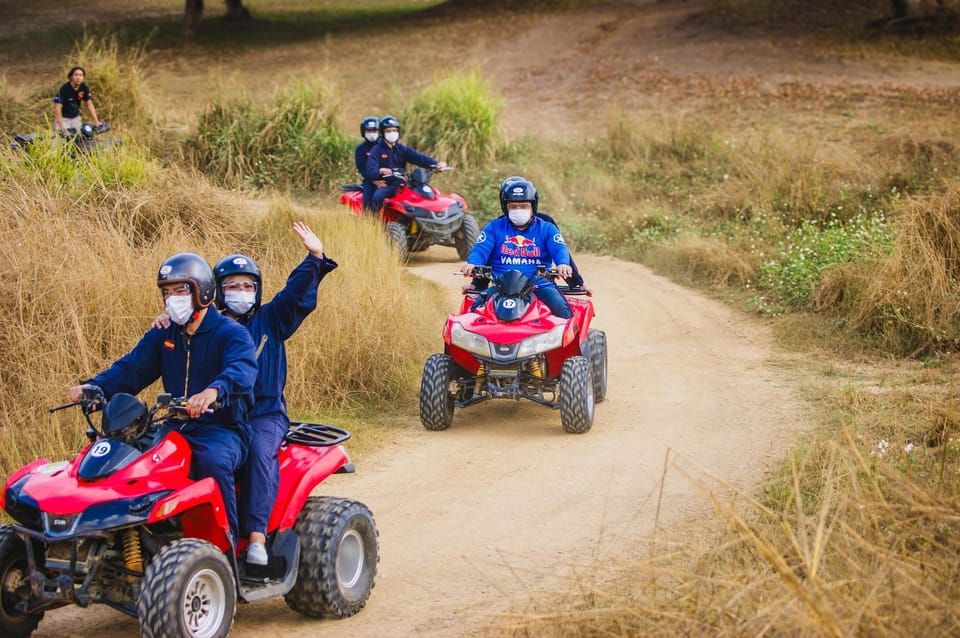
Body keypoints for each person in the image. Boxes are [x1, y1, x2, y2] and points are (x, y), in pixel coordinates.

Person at [67, 253, 257, 543]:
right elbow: (131, 369)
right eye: (167, 292)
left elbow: (242, 369)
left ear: (202, 291)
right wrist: (96, 388)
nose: (172, 299)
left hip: (222, 429)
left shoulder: (231, 333)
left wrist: (214, 391)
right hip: (174, 427)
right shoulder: (165, 334)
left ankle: (226, 543)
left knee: (213, 464)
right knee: (132, 463)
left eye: (180, 290)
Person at [212, 222, 337, 565]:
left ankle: (255, 538)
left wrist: (314, 257)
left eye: (248, 286)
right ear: (218, 291)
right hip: (219, 416)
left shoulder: (271, 318)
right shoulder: (209, 325)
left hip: (264, 413)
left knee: (258, 451)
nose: (241, 291)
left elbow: (295, 294)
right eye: (233, 286)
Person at [461, 177, 574, 319]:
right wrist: (473, 263)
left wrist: (563, 263)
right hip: (501, 288)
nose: (518, 210)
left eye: (524, 206)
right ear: (505, 207)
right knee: (473, 314)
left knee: (564, 315)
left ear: (533, 207)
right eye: (513, 206)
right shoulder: (494, 227)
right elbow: (481, 248)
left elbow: (559, 249)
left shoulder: (547, 229)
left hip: (540, 286)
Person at [363, 115, 447, 213]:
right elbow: (370, 170)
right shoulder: (376, 150)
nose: (392, 133)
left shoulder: (402, 149)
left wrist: (437, 164)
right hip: (387, 185)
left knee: (425, 195)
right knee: (378, 196)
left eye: (394, 130)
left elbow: (419, 158)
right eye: (388, 131)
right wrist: (380, 171)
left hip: (404, 183)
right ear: (382, 133)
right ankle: (374, 222)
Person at [54, 66, 102, 133]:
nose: (78, 77)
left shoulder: (83, 87)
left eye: (80, 75)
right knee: (61, 140)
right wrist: (61, 127)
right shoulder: (64, 89)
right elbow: (57, 108)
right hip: (63, 119)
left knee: (79, 140)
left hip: (76, 118)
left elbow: (89, 105)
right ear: (71, 77)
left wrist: (97, 122)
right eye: (76, 75)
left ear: (83, 78)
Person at [355, 116, 385, 212]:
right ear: (363, 132)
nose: (372, 134)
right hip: (370, 181)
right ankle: (368, 220)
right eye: (368, 131)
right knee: (368, 201)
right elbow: (362, 169)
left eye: (374, 131)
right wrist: (375, 181)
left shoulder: (387, 146)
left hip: (389, 179)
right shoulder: (360, 149)